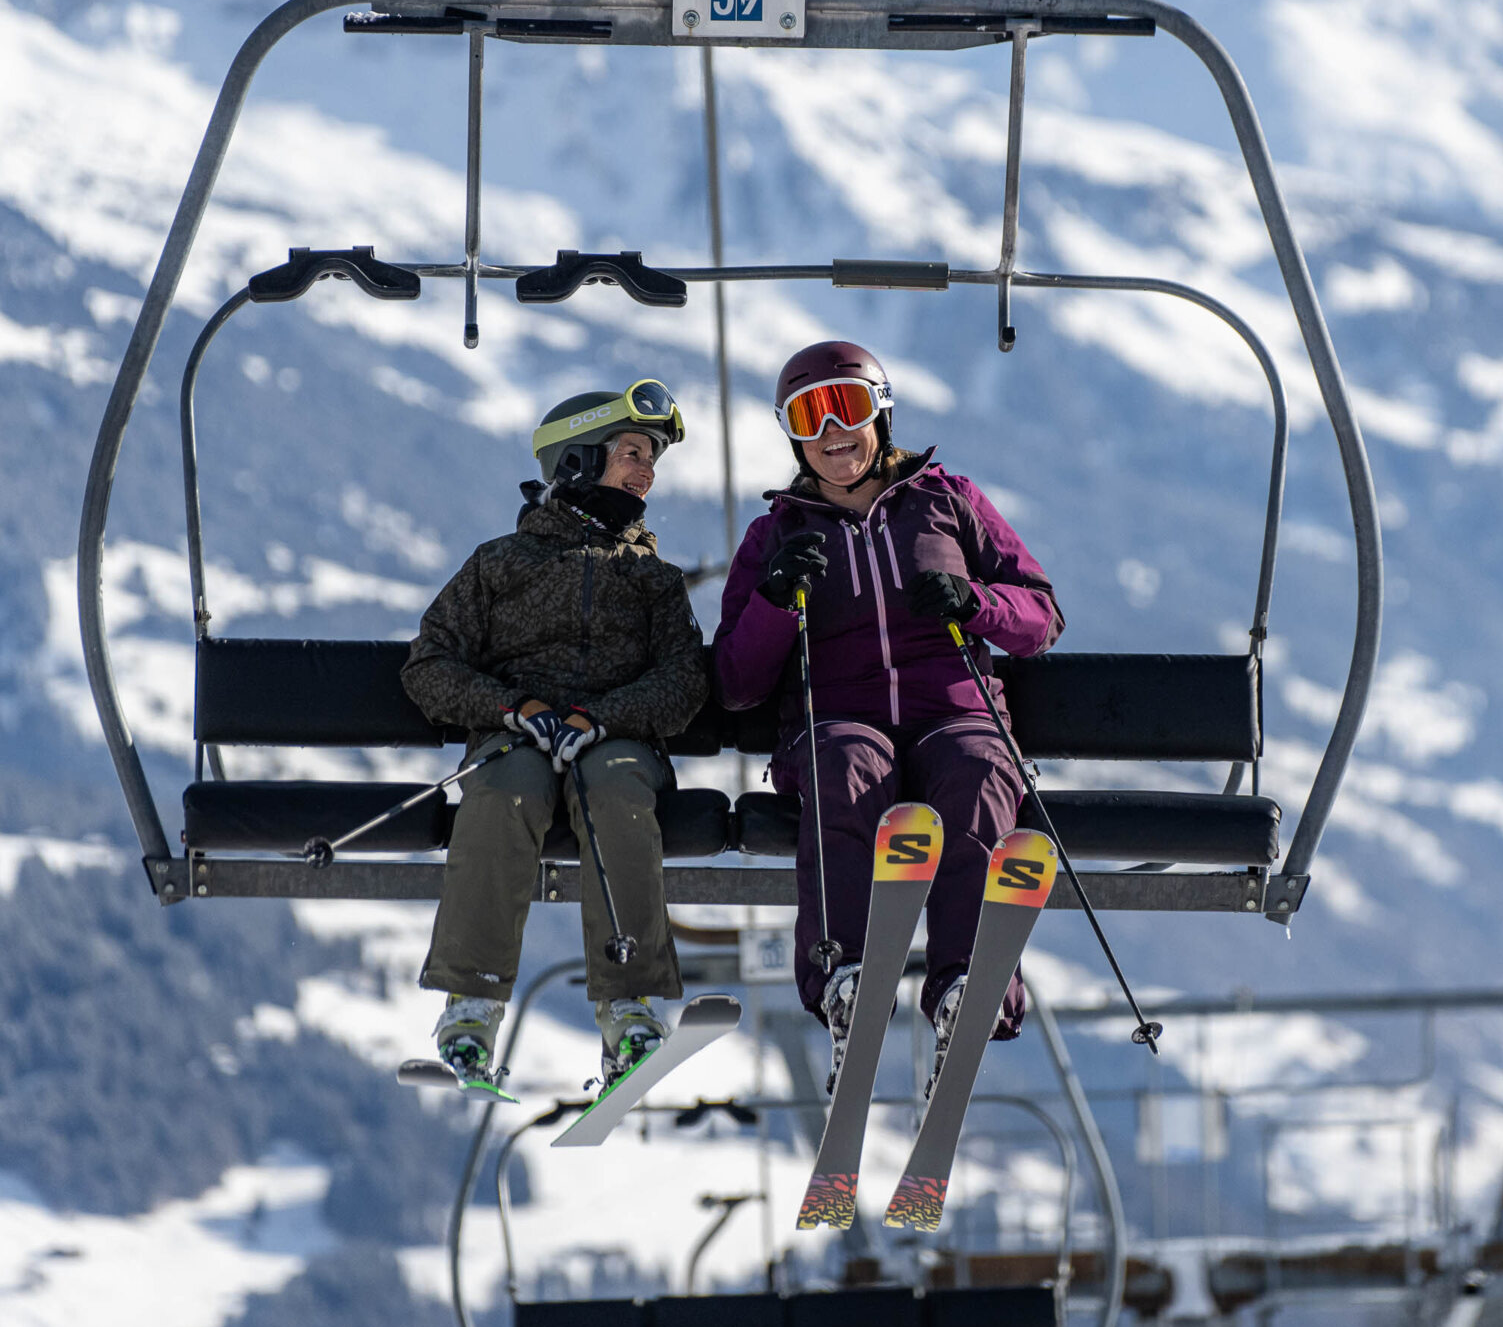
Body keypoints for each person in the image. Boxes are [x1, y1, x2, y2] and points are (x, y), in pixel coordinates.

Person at [713, 341, 1063, 1085]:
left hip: (955, 710)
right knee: (845, 770)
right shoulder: (777, 535)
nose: (835, 430)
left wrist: (977, 605)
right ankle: (848, 981)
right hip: (839, 717)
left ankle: (967, 986)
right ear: (793, 434)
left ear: (883, 411)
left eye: (850, 405)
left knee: (974, 773)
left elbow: (1040, 618)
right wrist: (777, 601)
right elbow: (736, 680)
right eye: (812, 414)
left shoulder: (948, 501)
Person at [401, 380, 707, 1085]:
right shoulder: (500, 565)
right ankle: (471, 1001)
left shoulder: (652, 580)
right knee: (502, 784)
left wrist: (604, 718)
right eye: (633, 452)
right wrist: (513, 709)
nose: (646, 473)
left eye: (652, 460)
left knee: (614, 786)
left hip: (617, 741)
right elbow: (430, 664)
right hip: (520, 738)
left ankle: (627, 1004)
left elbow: (682, 681)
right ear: (575, 462)